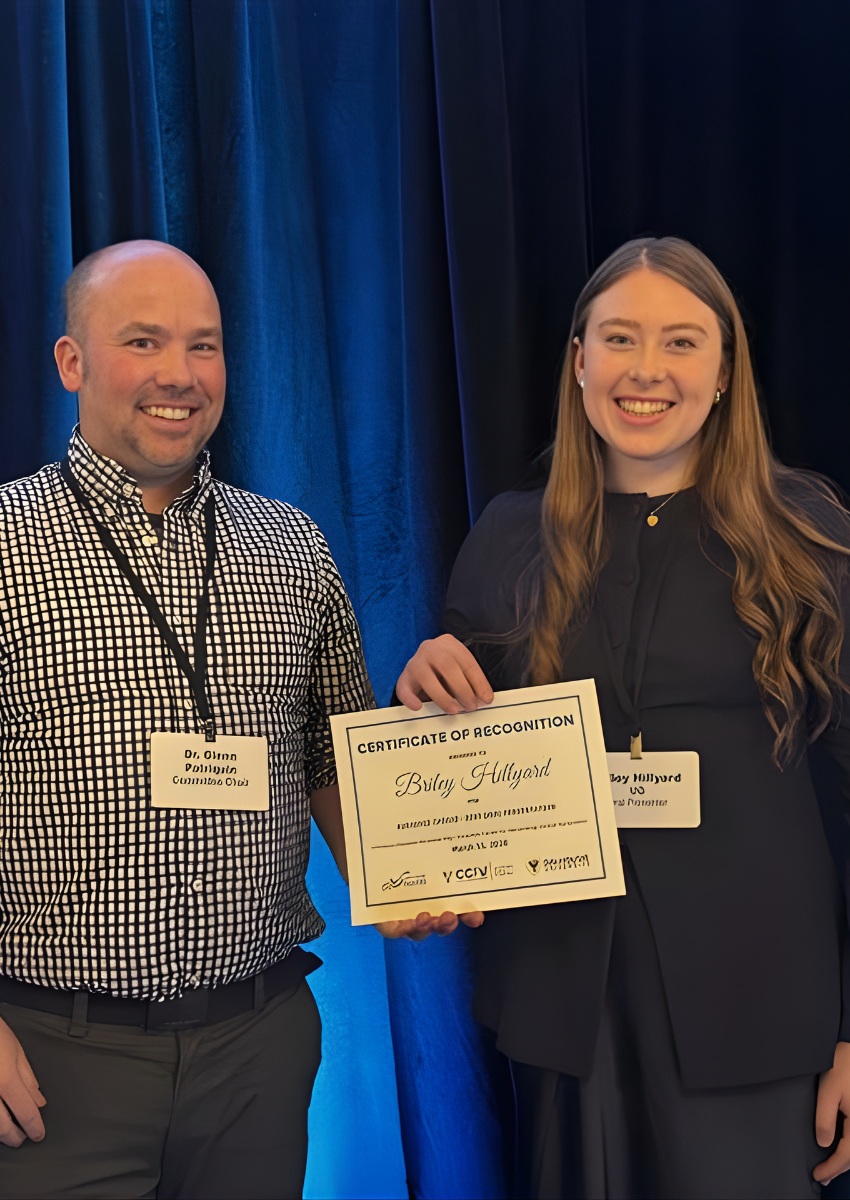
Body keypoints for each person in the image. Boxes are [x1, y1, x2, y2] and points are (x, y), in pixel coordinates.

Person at [395, 237, 850, 1199]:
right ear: (579, 360)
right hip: (566, 1011)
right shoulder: (508, 536)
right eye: (620, 339)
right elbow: (467, 750)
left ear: (726, 372)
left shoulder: (811, 538)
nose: (647, 371)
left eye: (682, 342)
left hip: (763, 1015)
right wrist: (431, 682)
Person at [0, 238, 404, 1200]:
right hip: (56, 1064)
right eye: (142, 341)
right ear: (72, 362)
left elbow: (332, 762)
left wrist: (413, 877)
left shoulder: (290, 546)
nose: (178, 376)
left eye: (204, 345)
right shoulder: (7, 543)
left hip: (257, 1057)